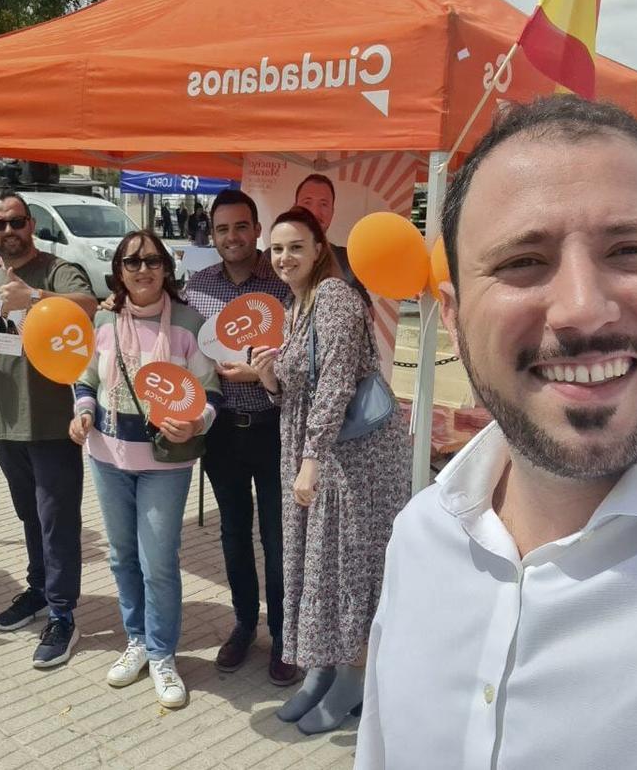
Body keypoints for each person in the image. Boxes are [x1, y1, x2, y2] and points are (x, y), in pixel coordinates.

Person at [355, 96, 637, 768]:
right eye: (523, 262)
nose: (584, 309)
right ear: (455, 314)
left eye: (630, 250)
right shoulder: (421, 537)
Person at [250, 207, 409, 735]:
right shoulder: (296, 305)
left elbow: (339, 384)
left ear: (320, 248)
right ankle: (322, 673)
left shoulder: (336, 298)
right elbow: (301, 386)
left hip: (352, 457)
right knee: (319, 563)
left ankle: (352, 682)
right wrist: (270, 378)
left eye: (296, 246)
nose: (284, 257)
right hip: (318, 451)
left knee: (349, 565)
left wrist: (310, 461)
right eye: (276, 248)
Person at [70, 231, 221, 708]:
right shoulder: (104, 320)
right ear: (119, 270)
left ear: (166, 268)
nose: (143, 268)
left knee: (158, 561)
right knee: (121, 556)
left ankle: (161, 654)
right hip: (107, 458)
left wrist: (197, 420)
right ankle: (135, 639)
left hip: (164, 464)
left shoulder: (189, 324)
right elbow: (85, 376)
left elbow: (210, 391)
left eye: (153, 260)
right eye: (132, 261)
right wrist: (84, 411)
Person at [0, 189, 97, 668]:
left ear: (30, 224)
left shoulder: (58, 269)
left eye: (16, 222)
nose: (8, 232)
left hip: (53, 421)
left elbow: (88, 305)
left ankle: (64, 614)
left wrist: (35, 296)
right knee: (29, 514)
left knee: (57, 519)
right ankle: (39, 589)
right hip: (6, 418)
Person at [184, 190, 296, 685]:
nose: (233, 236)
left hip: (275, 428)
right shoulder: (196, 288)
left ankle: (284, 635)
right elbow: (178, 345)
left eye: (242, 226)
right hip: (223, 432)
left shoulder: (284, 284)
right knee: (233, 533)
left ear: (257, 230)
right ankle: (244, 623)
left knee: (277, 537)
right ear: (213, 234)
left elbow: (305, 356)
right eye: (223, 228)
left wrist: (266, 376)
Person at [293, 173, 371, 305]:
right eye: (307, 202)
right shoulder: (271, 258)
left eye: (323, 204)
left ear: (332, 212)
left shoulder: (347, 261)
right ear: (295, 207)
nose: (315, 212)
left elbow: (367, 316)